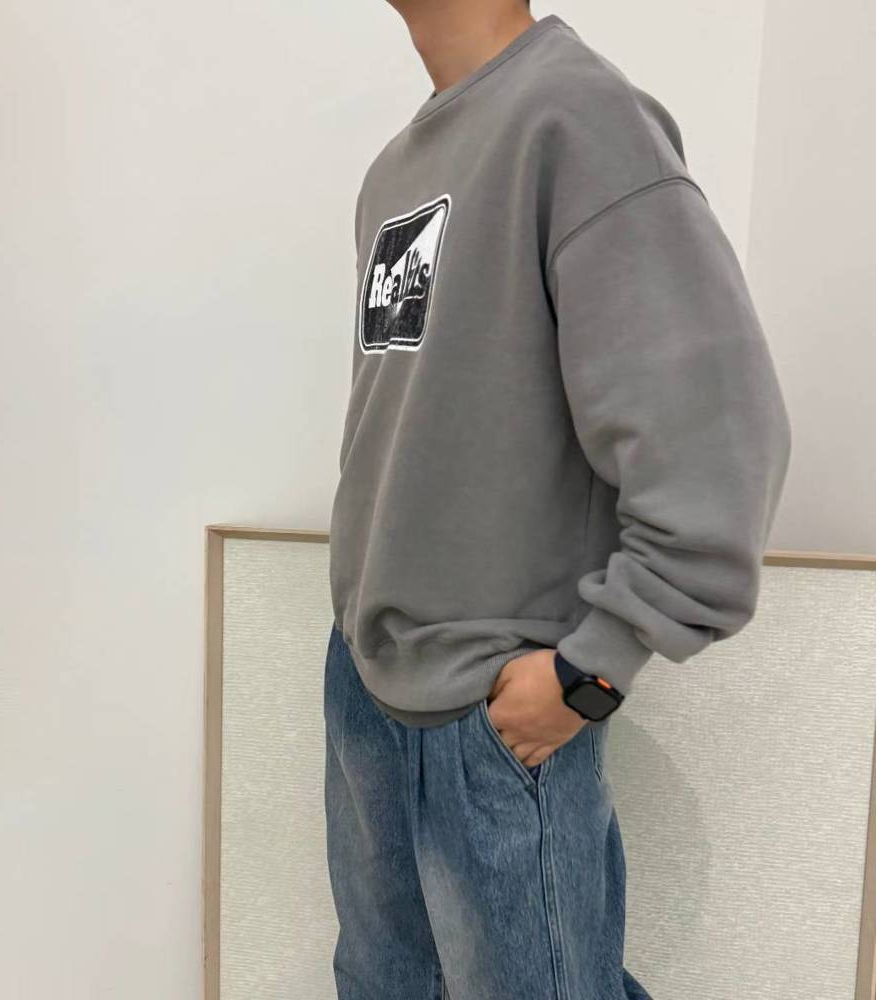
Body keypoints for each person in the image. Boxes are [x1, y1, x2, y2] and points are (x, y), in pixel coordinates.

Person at [323, 3, 792, 998]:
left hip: (493, 710)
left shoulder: (578, 119)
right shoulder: (394, 170)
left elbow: (719, 440)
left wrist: (591, 672)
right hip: (366, 684)